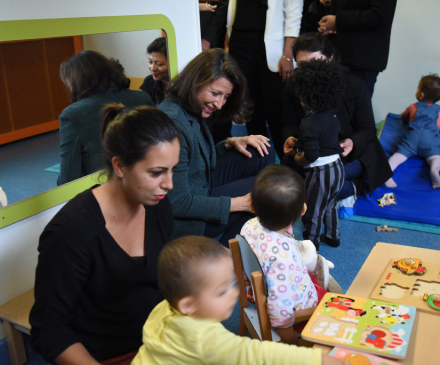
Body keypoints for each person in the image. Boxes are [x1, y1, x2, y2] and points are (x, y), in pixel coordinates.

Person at [30, 105, 180, 365]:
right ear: (119, 166)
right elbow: (50, 330)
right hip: (106, 355)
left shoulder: (157, 204)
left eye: (172, 169)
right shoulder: (71, 232)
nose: (169, 184)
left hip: (157, 340)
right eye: (157, 172)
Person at [131, 236, 346, 365]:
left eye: (232, 284)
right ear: (188, 305)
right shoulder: (202, 337)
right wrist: (317, 359)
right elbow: (257, 354)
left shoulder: (163, 307)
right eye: (221, 292)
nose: (235, 294)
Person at [159, 48, 274, 247]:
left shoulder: (191, 107)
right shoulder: (174, 123)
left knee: (263, 151)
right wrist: (240, 204)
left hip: (201, 184)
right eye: (215, 93)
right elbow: (176, 202)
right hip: (184, 218)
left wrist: (229, 143)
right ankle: (221, 257)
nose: (220, 104)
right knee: (264, 189)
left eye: (226, 97)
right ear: (195, 82)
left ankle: (244, 236)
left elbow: (194, 156)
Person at [282, 33, 392, 207]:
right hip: (311, 152)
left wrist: (352, 142)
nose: (310, 70)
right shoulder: (293, 86)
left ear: (330, 58)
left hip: (348, 154)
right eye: (303, 65)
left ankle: (351, 188)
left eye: (316, 62)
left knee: (319, 185)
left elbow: (368, 129)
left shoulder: (354, 85)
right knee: (284, 187)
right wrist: (290, 137)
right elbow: (289, 124)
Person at [241, 164, 338, 342]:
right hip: (296, 311)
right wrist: (289, 335)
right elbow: (280, 308)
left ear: (253, 206)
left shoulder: (249, 226)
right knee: (338, 300)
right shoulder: (282, 260)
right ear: (303, 210)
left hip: (260, 289)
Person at [214, 0, 304, 158]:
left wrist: (288, 55)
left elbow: (294, 14)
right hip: (239, 42)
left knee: (277, 109)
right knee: (251, 109)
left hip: (272, 48)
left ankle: (289, 164)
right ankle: (261, 163)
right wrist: (228, 42)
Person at [57, 50, 153, 186]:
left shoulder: (73, 115)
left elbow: (68, 178)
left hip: (103, 191)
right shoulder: (143, 97)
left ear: (77, 82)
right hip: (147, 182)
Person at [288, 59, 346, 250]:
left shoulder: (309, 123)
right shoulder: (333, 113)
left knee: (313, 210)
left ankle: (310, 244)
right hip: (337, 168)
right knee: (330, 205)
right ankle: (333, 236)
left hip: (320, 172)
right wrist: (301, 143)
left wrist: (296, 156)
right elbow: (324, 139)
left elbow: (310, 155)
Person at [317, 0, 397, 97]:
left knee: (353, 109)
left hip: (360, 59)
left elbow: (379, 15)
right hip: (336, 54)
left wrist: (338, 21)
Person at [385, 74, 440, 189]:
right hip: (429, 141)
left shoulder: (413, 106)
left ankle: (386, 175)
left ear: (422, 94)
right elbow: (438, 127)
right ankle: (434, 169)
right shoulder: (438, 111)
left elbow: (404, 117)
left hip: (412, 138)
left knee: (398, 157)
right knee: (436, 157)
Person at [140, 37, 170, 106]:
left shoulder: (183, 86)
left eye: (159, 64)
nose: (152, 68)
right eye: (150, 62)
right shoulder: (149, 82)